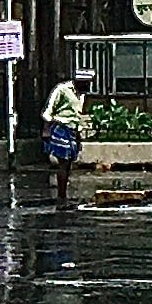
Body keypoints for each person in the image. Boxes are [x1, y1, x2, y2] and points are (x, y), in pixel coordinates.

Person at [40, 71, 87, 205]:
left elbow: (77, 116)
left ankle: (63, 195)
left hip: (72, 130)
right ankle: (61, 197)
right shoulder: (61, 90)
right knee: (63, 162)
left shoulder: (81, 95)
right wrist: (46, 129)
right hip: (60, 128)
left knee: (68, 164)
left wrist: (78, 136)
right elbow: (48, 111)